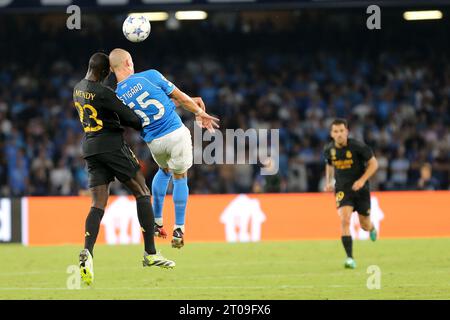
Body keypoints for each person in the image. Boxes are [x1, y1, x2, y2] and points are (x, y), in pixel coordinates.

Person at [73, 52, 175, 286]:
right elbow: (132, 119)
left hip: (90, 147)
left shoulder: (78, 88)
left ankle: (87, 252)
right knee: (142, 191)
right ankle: (150, 253)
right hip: (112, 146)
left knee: (97, 203)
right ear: (105, 72)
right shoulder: (104, 93)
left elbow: (100, 96)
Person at [109, 48, 219, 249]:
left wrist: (184, 102)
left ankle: (157, 221)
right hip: (175, 134)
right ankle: (179, 228)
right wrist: (200, 112)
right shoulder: (150, 75)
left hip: (155, 143)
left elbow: (151, 107)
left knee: (164, 170)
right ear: (127, 63)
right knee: (180, 176)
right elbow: (182, 99)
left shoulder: (116, 96)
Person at [323, 118, 378, 269]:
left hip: (361, 190)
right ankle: (350, 258)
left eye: (342, 131)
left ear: (347, 132)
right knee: (345, 220)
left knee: (364, 225)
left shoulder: (358, 147)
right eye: (336, 131)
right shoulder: (329, 150)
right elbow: (329, 164)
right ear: (331, 134)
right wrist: (328, 181)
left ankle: (372, 228)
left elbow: (374, 164)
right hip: (342, 189)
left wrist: (362, 180)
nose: (339, 134)